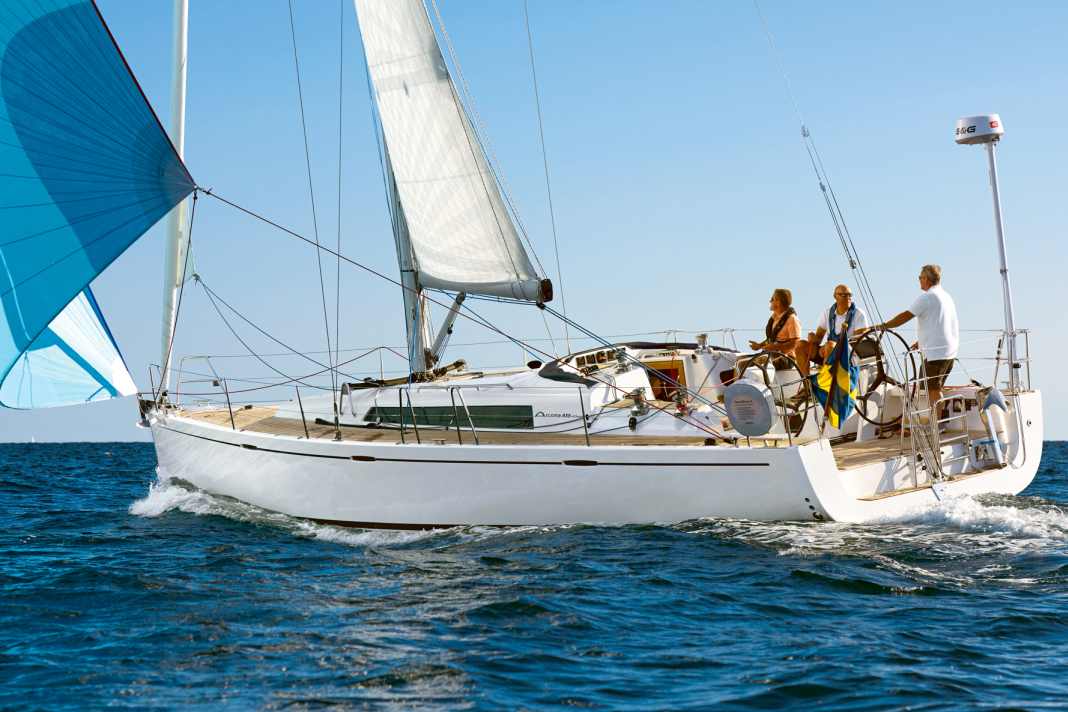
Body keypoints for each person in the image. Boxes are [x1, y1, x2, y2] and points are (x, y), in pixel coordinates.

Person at [862, 264, 959, 419]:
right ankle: (939, 421)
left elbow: (905, 316)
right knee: (933, 387)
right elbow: (939, 323)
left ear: (926, 279)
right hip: (948, 351)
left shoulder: (927, 297)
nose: (919, 280)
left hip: (936, 353)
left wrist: (881, 326)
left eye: (920, 277)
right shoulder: (945, 296)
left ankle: (938, 424)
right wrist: (921, 342)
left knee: (932, 390)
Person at [795, 284, 869, 378]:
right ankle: (806, 382)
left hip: (848, 355)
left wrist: (832, 346)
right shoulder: (827, 313)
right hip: (829, 351)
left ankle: (825, 381)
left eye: (850, 295)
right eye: (844, 295)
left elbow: (859, 341)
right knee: (800, 345)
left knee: (830, 345)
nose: (848, 297)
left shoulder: (859, 314)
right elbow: (818, 339)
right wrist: (813, 337)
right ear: (835, 297)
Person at [739, 288, 802, 371]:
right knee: (740, 361)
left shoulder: (792, 319)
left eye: (772, 299)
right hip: (771, 354)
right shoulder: (775, 318)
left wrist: (776, 347)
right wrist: (759, 346)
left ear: (779, 302)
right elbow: (771, 340)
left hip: (786, 359)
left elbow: (796, 343)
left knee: (755, 361)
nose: (770, 301)